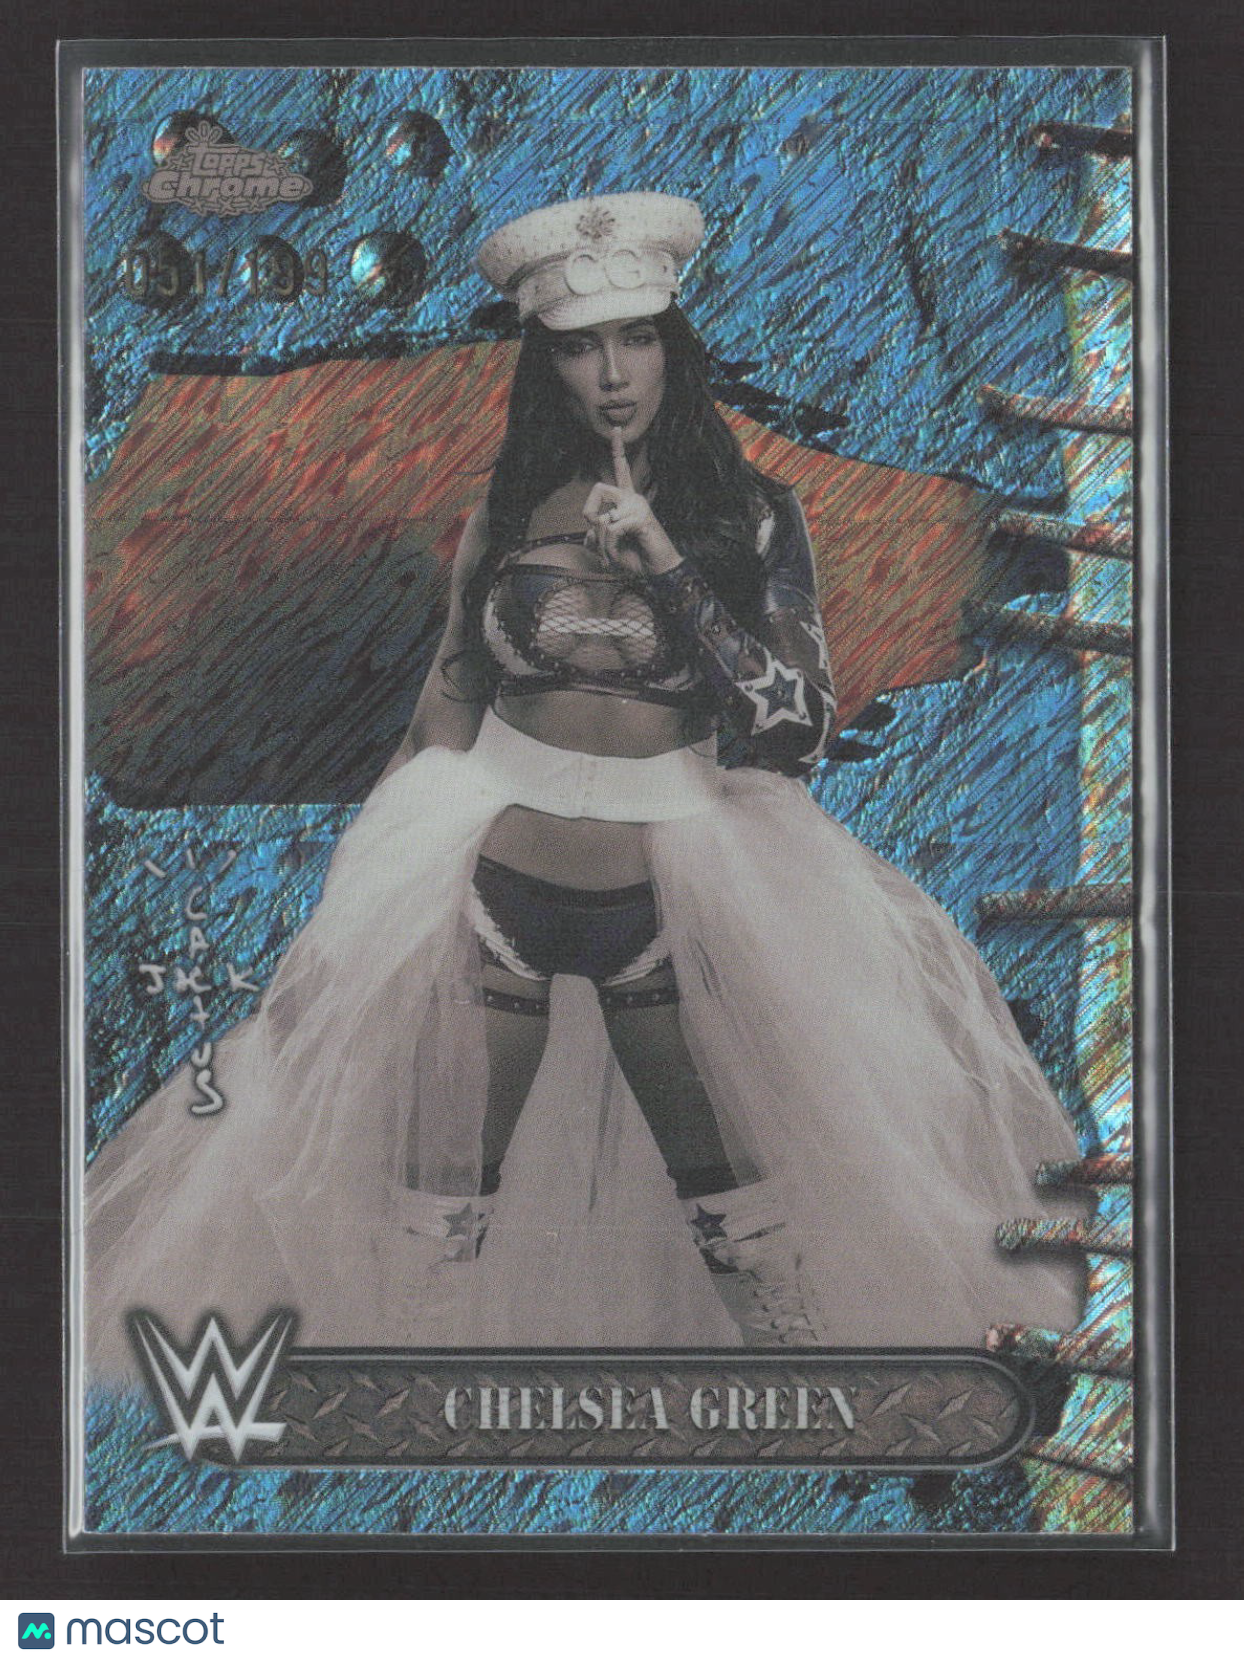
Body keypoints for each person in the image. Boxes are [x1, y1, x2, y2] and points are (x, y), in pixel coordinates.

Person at [85, 193, 1086, 1378]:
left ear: (672, 347)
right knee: (437, 1193)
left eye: (635, 338)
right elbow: (445, 703)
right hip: (483, 871)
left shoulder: (754, 516)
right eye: (577, 346)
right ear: (544, 364)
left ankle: (796, 1386)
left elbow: (794, 725)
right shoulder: (504, 514)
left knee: (735, 1192)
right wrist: (350, 905)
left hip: (678, 883)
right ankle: (416, 1391)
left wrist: (667, 565)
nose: (610, 373)